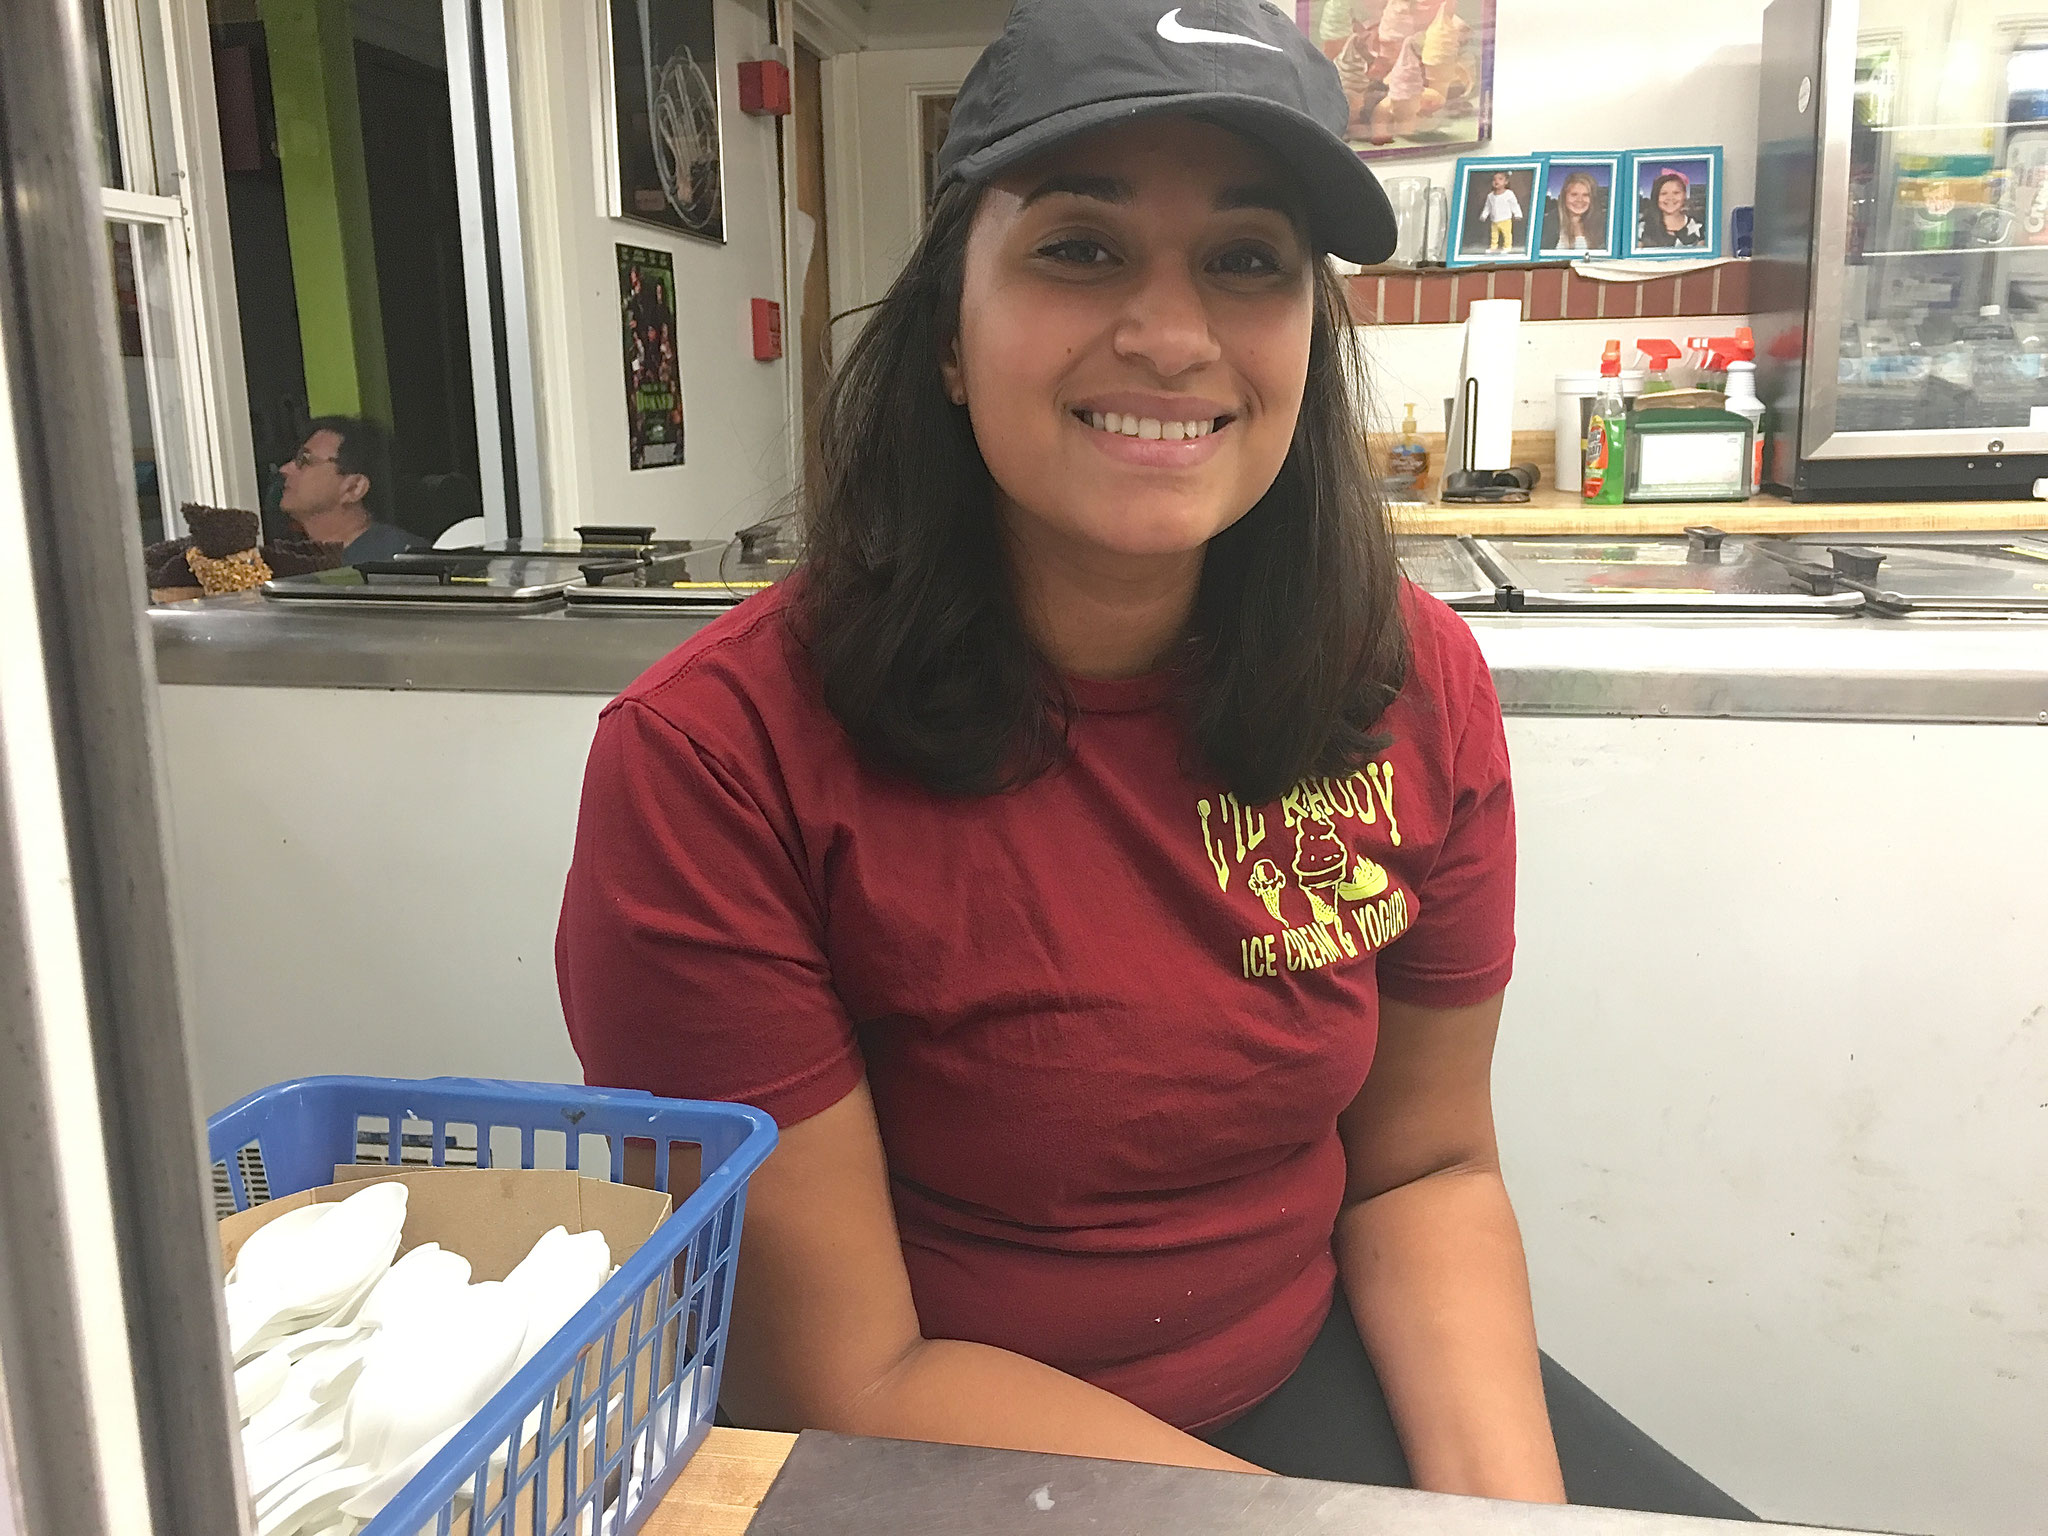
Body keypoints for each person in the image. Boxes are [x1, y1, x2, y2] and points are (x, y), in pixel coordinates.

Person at [557, 0, 1749, 1520]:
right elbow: (841, 1378)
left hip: (1299, 1369)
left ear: (1307, 337)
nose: (1172, 336)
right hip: (915, 1447)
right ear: (945, 332)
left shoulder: (1411, 680)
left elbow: (1425, 1172)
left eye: (1247, 261)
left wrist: (1492, 1522)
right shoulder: (714, 760)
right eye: (1078, 247)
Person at [277, 415, 422, 563]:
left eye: (305, 460)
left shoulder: (401, 563)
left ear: (354, 488)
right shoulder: (298, 561)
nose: (284, 469)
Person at [1637, 169, 1706, 249]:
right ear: (1656, 197)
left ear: (1684, 195)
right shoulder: (1642, 228)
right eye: (1664, 193)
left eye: (1676, 193)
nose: (1670, 198)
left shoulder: (1699, 226)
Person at [1542, 170, 1601, 254]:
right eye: (1574, 194)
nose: (1580, 200)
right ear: (1564, 196)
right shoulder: (1548, 224)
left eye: (1586, 195)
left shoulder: (1601, 226)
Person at [1479, 169, 1523, 252]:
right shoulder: (1490, 196)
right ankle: (1493, 246)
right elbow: (1488, 206)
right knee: (1494, 234)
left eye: (1500, 179)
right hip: (1494, 220)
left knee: (1507, 234)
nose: (1496, 181)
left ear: (1506, 182)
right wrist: (1484, 215)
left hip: (1505, 219)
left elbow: (1514, 204)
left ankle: (1507, 246)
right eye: (1494, 179)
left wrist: (1517, 214)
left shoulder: (1509, 194)